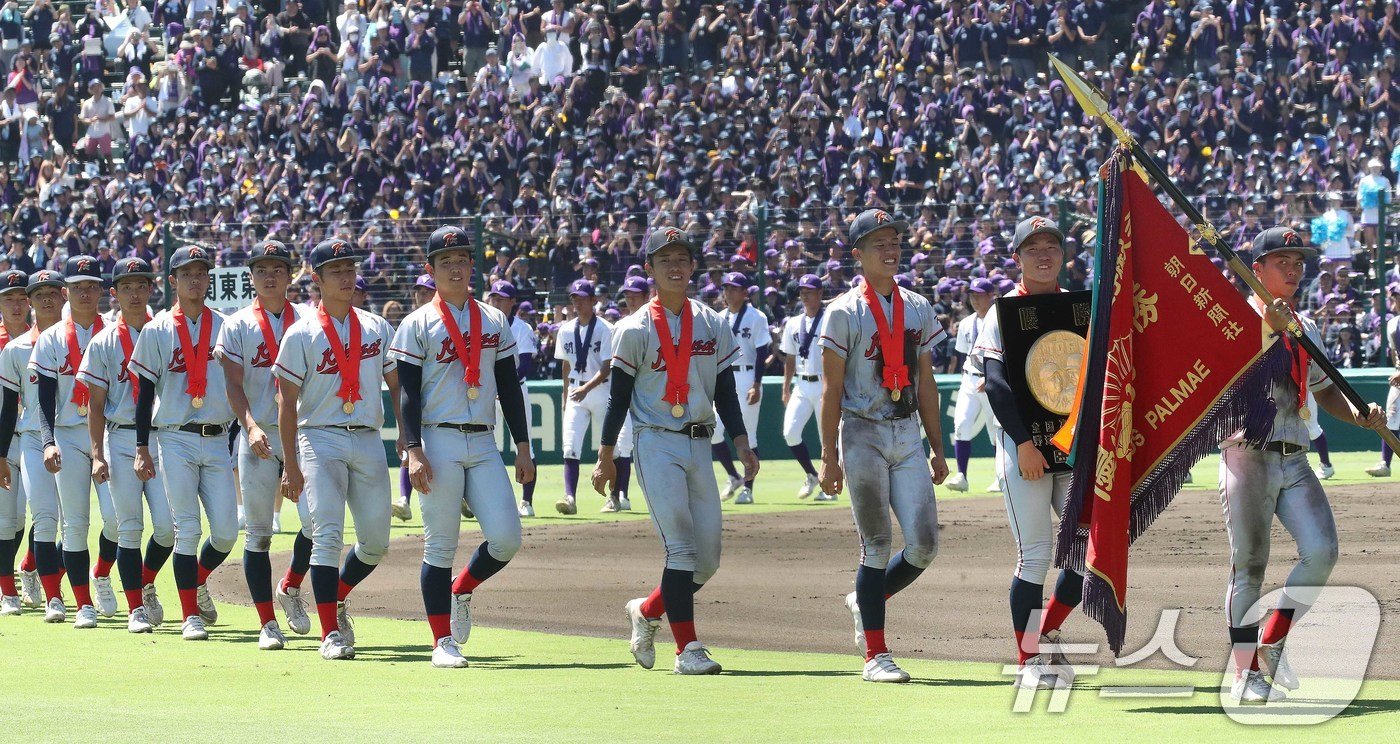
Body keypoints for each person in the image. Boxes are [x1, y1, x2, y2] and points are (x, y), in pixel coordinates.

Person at [1218, 226, 1386, 703]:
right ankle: (1245, 673)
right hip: (1246, 454)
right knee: (1248, 567)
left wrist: (1356, 414)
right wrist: (1269, 325)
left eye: (1299, 261)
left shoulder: (1304, 325)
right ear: (1257, 269)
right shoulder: (1234, 319)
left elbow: (1324, 387)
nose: (1293, 269)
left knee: (1323, 551)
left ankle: (1271, 640)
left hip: (1294, 456)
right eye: (1282, 261)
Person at [593, 226, 757, 676]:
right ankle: (688, 650)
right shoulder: (633, 329)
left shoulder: (713, 322)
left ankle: (646, 611)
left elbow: (725, 389)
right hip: (656, 440)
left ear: (693, 265)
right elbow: (617, 398)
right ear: (649, 268)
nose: (675, 265)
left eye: (682, 257)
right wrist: (607, 455)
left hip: (700, 441)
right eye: (665, 259)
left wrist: (742, 443)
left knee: (708, 560)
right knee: (681, 550)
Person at [390, 225, 534, 668]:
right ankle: (441, 642)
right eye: (445, 261)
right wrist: (413, 448)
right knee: (439, 545)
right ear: (429, 269)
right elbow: (408, 392)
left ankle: (462, 588)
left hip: (484, 439)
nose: (455, 267)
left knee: (507, 537)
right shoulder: (418, 322)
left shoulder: (494, 318)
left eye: (462, 259)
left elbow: (509, 386)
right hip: (438, 437)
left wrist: (523, 446)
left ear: (473, 265)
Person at [818, 209, 949, 684]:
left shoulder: (916, 305)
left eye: (895, 241)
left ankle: (865, 599)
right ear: (858, 254)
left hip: (907, 430)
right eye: (878, 244)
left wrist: (938, 447)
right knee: (876, 544)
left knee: (926, 545)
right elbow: (831, 391)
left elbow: (928, 384)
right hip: (863, 431)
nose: (890, 250)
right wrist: (829, 458)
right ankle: (876, 654)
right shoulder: (842, 311)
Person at [969, 218, 1086, 690]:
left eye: (1052, 246)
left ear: (1063, 255)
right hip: (1027, 452)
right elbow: (996, 384)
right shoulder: (1002, 312)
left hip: (1075, 448)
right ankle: (1028, 662)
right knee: (1035, 557)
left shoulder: (1081, 307)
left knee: (1087, 555)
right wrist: (1022, 444)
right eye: (1033, 247)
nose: (1044, 254)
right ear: (1017, 257)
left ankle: (1046, 628)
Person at [275, 238, 401, 661]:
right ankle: (330, 632)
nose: (346, 278)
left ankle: (333, 595)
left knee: (376, 542)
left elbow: (398, 386)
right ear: (317, 279)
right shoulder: (301, 332)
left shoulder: (376, 326)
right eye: (336, 271)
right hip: (319, 435)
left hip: (367, 435)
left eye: (350, 269)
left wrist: (407, 434)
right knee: (327, 535)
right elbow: (286, 403)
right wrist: (290, 464)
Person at [130, 246, 236, 641]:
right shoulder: (158, 328)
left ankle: (190, 579)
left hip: (216, 435)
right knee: (186, 528)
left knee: (226, 531)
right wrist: (142, 447)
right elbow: (144, 393)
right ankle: (188, 614)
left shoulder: (226, 325)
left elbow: (235, 385)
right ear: (172, 282)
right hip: (173, 437)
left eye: (201, 272)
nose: (195, 280)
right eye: (186, 273)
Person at [214, 240, 314, 651]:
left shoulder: (309, 319)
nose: (270, 275)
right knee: (257, 534)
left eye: (278, 268)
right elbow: (233, 385)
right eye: (261, 269)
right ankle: (267, 623)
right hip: (259, 435)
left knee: (315, 524)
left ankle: (289, 586)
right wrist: (250, 426)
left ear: (290, 275)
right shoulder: (237, 324)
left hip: (306, 433)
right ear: (251, 276)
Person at [77, 257, 173, 633]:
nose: (135, 293)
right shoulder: (103, 342)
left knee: (168, 528)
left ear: (152, 289)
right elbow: (96, 405)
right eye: (127, 287)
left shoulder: (166, 334)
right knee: (129, 526)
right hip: (119, 435)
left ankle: (145, 582)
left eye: (142, 285)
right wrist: (97, 453)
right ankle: (135, 606)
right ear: (114, 293)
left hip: (162, 436)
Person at [32, 255, 122, 629]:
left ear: (102, 291)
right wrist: (48, 441)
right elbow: (44, 399)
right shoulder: (52, 337)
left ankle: (101, 573)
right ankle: (82, 602)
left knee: (118, 519)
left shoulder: (116, 331)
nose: (85, 292)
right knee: (74, 524)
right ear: (66, 292)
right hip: (68, 434)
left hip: (108, 434)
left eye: (91, 285)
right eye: (78, 286)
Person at [554, 278, 613, 515]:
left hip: (600, 390)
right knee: (569, 446)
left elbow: (608, 365)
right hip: (576, 391)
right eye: (574, 299)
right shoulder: (566, 329)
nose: (577, 304)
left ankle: (615, 496)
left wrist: (586, 388)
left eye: (582, 299)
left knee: (612, 448)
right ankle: (570, 497)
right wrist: (565, 395)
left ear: (593, 301)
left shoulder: (606, 329)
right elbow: (566, 366)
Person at [484, 280, 541, 517]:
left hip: (516, 391)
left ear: (512, 302)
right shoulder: (484, 324)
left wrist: (503, 386)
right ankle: (487, 503)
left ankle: (526, 502)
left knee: (526, 445)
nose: (497, 302)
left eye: (502, 298)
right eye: (494, 298)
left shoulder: (522, 328)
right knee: (486, 446)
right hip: (488, 393)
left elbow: (525, 365)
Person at [711, 272, 768, 505]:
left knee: (749, 436)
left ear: (745, 293)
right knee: (712, 431)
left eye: (734, 288)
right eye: (726, 288)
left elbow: (762, 352)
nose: (729, 292)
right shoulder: (718, 317)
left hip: (746, 377)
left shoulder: (756, 317)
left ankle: (748, 488)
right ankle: (733, 476)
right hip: (724, 379)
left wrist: (756, 384)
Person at [778, 273, 834, 502]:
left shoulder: (830, 319)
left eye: (809, 291)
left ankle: (829, 486)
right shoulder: (793, 322)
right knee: (790, 433)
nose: (805, 295)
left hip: (825, 383)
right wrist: (785, 388)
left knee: (827, 440)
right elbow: (790, 358)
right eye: (802, 292)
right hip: (801, 383)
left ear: (820, 293)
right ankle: (811, 474)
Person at [947, 278, 1001, 493]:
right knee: (961, 424)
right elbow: (965, 354)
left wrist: (991, 377)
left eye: (979, 295)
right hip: (970, 378)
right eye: (972, 295)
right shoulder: (968, 322)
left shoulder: (999, 319)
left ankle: (1000, 477)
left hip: (991, 379)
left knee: (995, 430)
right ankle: (961, 475)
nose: (975, 299)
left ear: (991, 296)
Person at [393, 273, 438, 522]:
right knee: (410, 447)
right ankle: (404, 499)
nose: (422, 295)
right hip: (414, 393)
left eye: (427, 290)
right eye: (419, 291)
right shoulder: (409, 323)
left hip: (437, 396)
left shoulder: (445, 321)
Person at [0, 268, 31, 616]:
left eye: (22, 297)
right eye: (8, 297)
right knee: (7, 519)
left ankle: (28, 567)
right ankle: (7, 589)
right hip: (4, 439)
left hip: (38, 437)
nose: (16, 304)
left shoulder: (45, 338)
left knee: (35, 516)